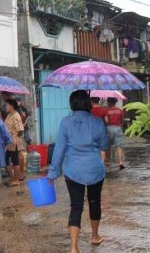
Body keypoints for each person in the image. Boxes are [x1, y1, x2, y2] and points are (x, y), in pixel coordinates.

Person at [48, 90, 109, 253]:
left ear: (72, 104)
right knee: (94, 202)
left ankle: (74, 247)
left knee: (76, 206)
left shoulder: (66, 122)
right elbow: (104, 145)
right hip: (95, 170)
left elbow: (59, 149)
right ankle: (95, 236)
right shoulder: (97, 122)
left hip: (74, 171)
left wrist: (53, 173)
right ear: (88, 103)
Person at [4, 99, 25, 186]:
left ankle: (16, 179)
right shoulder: (9, 115)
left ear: (12, 106)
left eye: (7, 105)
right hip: (8, 143)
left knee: (15, 161)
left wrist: (15, 138)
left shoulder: (16, 115)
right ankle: (13, 177)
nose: (5, 107)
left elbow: (20, 130)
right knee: (5, 161)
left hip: (14, 142)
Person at [105, 97, 126, 170]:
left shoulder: (107, 111)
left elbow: (106, 121)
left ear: (109, 103)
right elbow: (122, 120)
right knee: (119, 146)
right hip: (118, 128)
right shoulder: (119, 110)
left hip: (109, 128)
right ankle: (120, 162)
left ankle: (108, 161)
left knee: (108, 146)